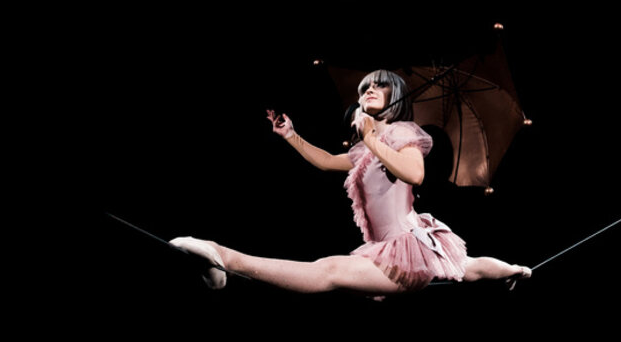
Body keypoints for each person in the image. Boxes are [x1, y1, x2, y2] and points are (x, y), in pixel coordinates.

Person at [169, 70, 531, 298]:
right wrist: (291, 135)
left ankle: (222, 256)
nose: (370, 90)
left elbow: (415, 174)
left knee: (329, 272)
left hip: (405, 248)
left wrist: (373, 139)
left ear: (394, 97)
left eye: (379, 86)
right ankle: (515, 269)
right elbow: (328, 161)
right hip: (390, 246)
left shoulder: (402, 132)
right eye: (366, 87)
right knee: (469, 268)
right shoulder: (366, 146)